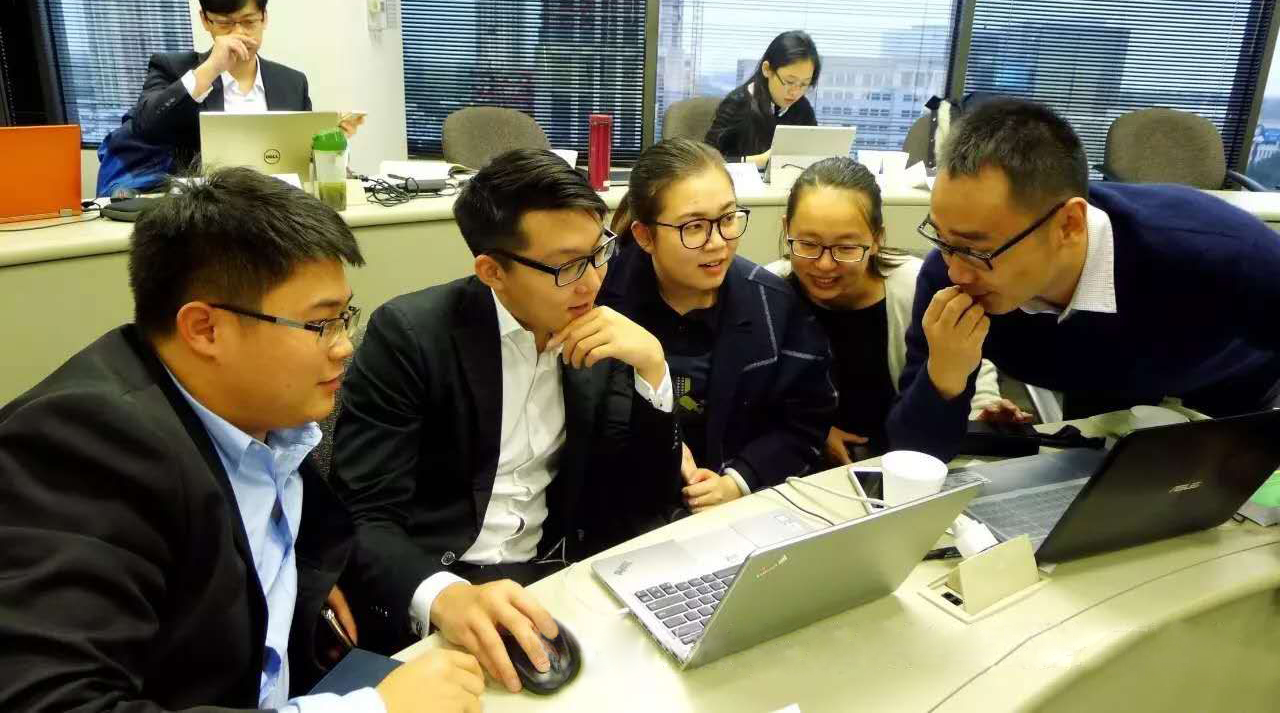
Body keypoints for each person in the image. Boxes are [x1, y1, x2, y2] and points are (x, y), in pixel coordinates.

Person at [0, 167, 482, 712]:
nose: (344, 346)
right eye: (320, 324)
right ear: (205, 329)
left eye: (345, 316)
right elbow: (52, 701)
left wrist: (317, 590)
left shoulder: (263, 415)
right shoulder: (84, 445)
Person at [331, 149, 683, 694]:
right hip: (441, 584)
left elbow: (645, 497)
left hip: (555, 579)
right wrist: (444, 596)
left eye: (599, 252)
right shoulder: (412, 336)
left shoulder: (601, 332)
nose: (592, 282)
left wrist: (654, 371)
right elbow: (365, 516)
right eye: (567, 266)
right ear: (492, 271)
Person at [889, 97, 1280, 462]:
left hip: (1225, 391)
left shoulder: (1214, 249)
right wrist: (945, 378)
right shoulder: (948, 279)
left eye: (978, 249)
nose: (956, 271)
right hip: (1103, 397)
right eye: (942, 239)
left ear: (1069, 225)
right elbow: (915, 455)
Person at [599, 137, 837, 512]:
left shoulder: (773, 304)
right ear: (645, 236)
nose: (718, 243)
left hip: (735, 508)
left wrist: (739, 481)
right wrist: (661, 442)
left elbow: (805, 421)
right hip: (622, 505)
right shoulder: (599, 298)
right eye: (694, 227)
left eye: (727, 219)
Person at [766, 157, 1022, 464]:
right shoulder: (768, 291)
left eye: (846, 248)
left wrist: (983, 407)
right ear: (786, 228)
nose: (824, 264)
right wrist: (811, 431)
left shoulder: (917, 288)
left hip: (905, 457)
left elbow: (965, 355)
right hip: (801, 462)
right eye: (808, 244)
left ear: (877, 239)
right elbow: (750, 396)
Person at [129, 0, 363, 170]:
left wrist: (332, 142)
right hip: (205, 209)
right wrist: (210, 69)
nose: (239, 34)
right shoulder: (174, 69)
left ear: (264, 18)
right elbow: (144, 128)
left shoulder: (292, 83)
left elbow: (304, 161)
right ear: (205, 20)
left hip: (279, 206)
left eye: (249, 22)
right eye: (225, 23)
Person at [705, 30, 820, 169]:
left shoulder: (802, 108)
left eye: (804, 84)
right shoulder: (737, 103)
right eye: (789, 82)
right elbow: (705, 160)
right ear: (767, 69)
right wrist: (758, 161)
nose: (795, 92)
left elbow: (815, 153)